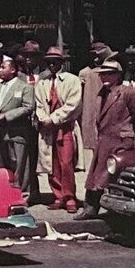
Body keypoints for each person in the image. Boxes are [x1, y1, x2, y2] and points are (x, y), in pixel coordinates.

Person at [82, 55, 135, 211]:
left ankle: (115, 209)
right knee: (96, 176)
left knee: (115, 176)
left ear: (118, 75)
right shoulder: (102, 93)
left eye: (109, 73)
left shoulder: (128, 93)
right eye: (102, 74)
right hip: (104, 140)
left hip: (121, 142)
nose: (104, 77)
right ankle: (90, 209)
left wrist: (131, 136)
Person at [33, 45, 82, 212]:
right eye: (49, 62)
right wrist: (43, 118)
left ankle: (69, 196)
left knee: (66, 162)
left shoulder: (72, 80)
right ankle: (58, 195)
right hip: (47, 128)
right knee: (50, 163)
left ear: (61, 62)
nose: (52, 64)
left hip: (64, 126)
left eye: (55, 61)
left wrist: (53, 119)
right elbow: (39, 104)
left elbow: (73, 105)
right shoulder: (42, 82)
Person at [0, 51, 37, 200]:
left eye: (3, 67)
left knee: (19, 165)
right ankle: (2, 194)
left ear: (13, 70)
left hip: (16, 133)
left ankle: (22, 195)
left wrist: (7, 116)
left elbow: (28, 107)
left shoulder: (25, 87)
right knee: (0, 164)